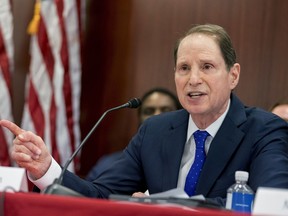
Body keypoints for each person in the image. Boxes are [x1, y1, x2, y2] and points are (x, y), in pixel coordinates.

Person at [1, 24, 288, 207]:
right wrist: (46, 168)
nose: (194, 79)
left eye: (207, 67)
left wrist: (161, 205)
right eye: (184, 68)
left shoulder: (265, 131)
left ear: (233, 75)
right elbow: (101, 195)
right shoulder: (156, 131)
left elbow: (269, 204)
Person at [86, 87, 182, 181]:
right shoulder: (109, 164)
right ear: (139, 119)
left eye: (166, 110)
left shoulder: (187, 163)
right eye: (149, 111)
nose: (156, 116)